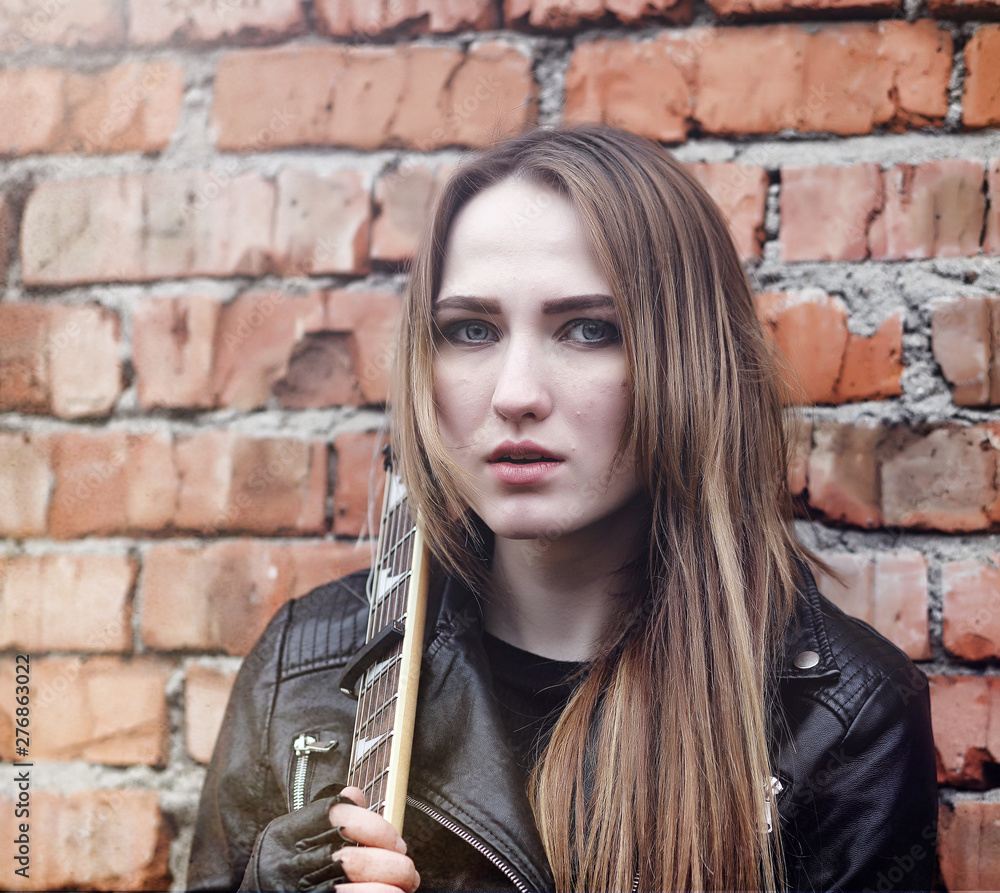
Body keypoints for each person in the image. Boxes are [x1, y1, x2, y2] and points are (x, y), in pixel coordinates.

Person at [187, 125, 937, 892]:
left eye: (587, 329)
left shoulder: (837, 719)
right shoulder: (302, 672)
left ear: (688, 362)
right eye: (471, 329)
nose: (515, 393)